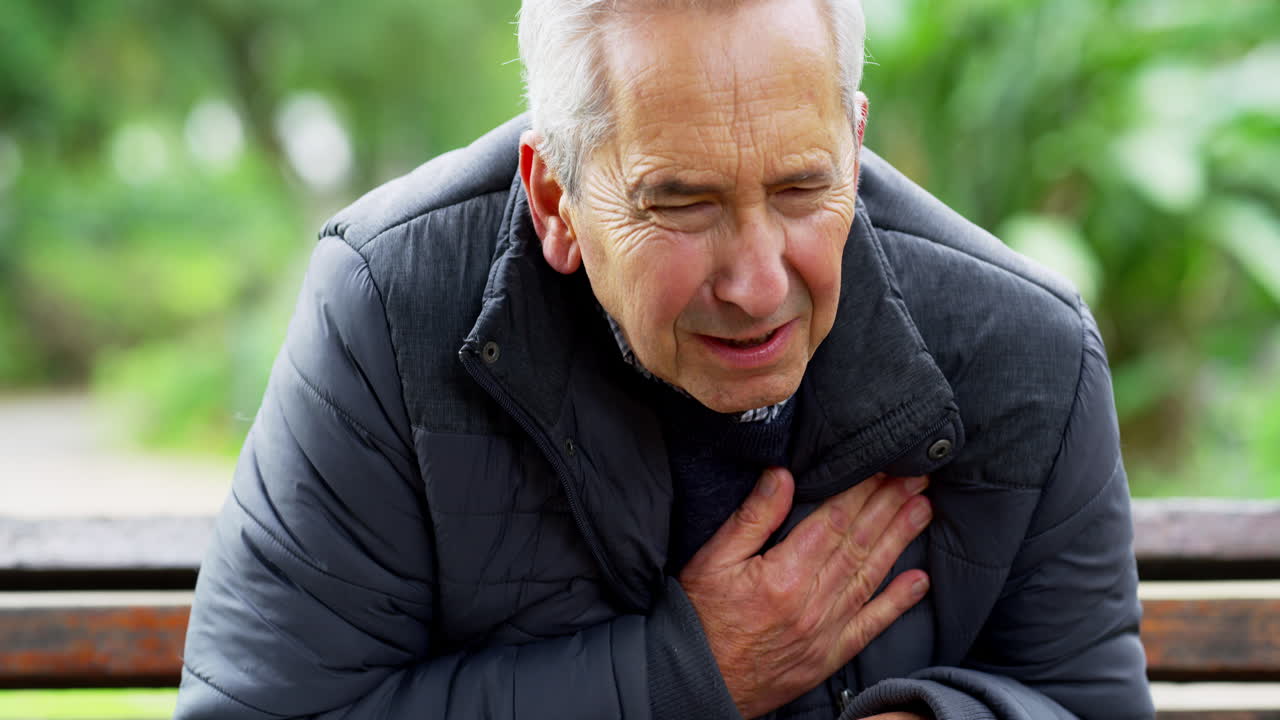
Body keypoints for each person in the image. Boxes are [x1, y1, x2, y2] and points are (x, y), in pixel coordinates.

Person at [173, 0, 1154, 718]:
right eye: (680, 203)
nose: (758, 283)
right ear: (553, 199)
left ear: (852, 148)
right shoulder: (387, 304)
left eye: (802, 188)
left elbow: (1084, 701)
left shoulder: (1030, 351)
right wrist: (686, 675)